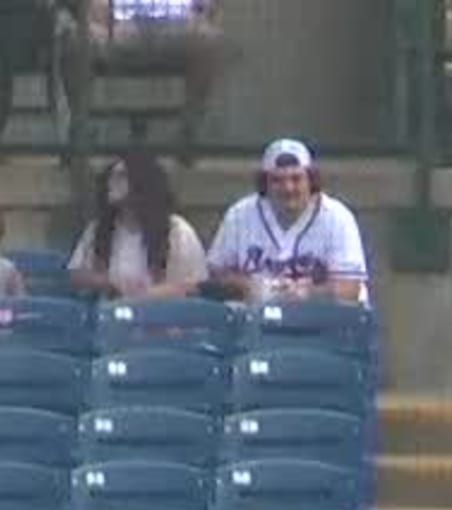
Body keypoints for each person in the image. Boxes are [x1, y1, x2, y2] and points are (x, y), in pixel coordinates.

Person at [210, 140, 371, 305]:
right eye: (277, 180)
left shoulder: (337, 218)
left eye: (296, 178)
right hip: (256, 323)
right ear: (264, 184)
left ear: (311, 180)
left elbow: (349, 288)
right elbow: (215, 274)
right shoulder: (239, 215)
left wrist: (307, 293)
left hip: (322, 322)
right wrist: (249, 286)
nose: (288, 188)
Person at [55, 0, 225, 155]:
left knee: (209, 40)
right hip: (112, 28)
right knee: (75, 41)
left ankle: (188, 133)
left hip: (178, 28)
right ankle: (80, 132)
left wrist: (202, 12)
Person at [66, 152, 206, 301]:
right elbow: (76, 274)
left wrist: (146, 294)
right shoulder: (98, 228)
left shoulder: (178, 230)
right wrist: (110, 283)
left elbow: (193, 286)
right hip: (112, 314)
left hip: (163, 314)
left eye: (121, 176)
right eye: (111, 176)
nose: (111, 182)